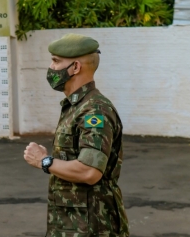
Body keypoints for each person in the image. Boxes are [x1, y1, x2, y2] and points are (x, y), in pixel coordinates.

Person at [23, 33, 129, 236]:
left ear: (75, 67)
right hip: (74, 222)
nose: (51, 68)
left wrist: (44, 161)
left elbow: (89, 172)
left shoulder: (94, 111)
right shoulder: (77, 106)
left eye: (56, 61)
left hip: (91, 224)